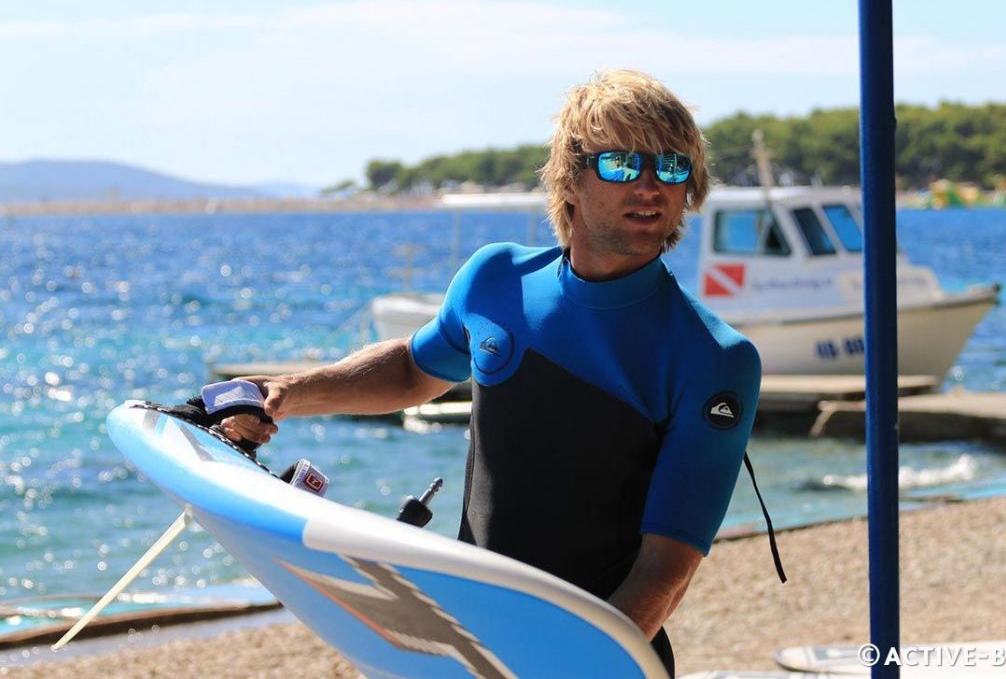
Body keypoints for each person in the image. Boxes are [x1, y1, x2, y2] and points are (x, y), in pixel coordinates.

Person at [221, 69, 762, 676]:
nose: (649, 186)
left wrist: (579, 666)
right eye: (621, 164)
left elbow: (666, 568)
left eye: (671, 167)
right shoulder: (496, 279)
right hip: (467, 640)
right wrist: (283, 394)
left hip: (597, 656)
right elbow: (412, 371)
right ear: (570, 178)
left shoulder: (713, 358)